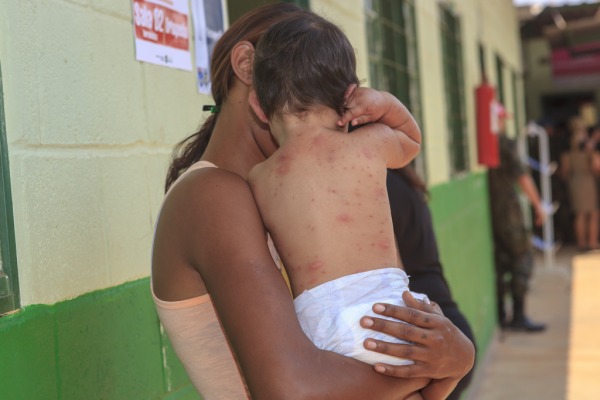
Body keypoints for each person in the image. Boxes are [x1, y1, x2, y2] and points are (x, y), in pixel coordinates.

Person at [152, 4, 475, 400]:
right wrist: (446, 363)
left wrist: (441, 359)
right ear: (247, 65)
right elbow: (295, 391)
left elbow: (393, 326)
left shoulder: (299, 193)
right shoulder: (214, 195)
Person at [247, 13, 451, 400]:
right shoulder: (370, 145)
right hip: (395, 312)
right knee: (430, 377)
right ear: (350, 94)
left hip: (320, 330)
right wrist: (383, 104)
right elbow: (411, 139)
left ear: (258, 106)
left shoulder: (259, 177)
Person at [387, 166, 476, 400]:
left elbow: (391, 279)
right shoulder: (399, 176)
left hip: (430, 339)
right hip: (448, 330)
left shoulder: (376, 184)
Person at [487, 103, 547, 332]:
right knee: (523, 260)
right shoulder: (504, 144)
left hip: (494, 213)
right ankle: (519, 315)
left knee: (502, 263)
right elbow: (523, 177)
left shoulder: (486, 145)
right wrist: (538, 205)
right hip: (509, 213)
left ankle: (503, 314)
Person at [561, 116, 600, 251]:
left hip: (575, 182)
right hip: (588, 181)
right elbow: (597, 167)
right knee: (593, 213)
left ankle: (581, 243)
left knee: (579, 214)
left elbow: (565, 171)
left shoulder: (568, 146)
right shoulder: (588, 146)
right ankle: (592, 242)